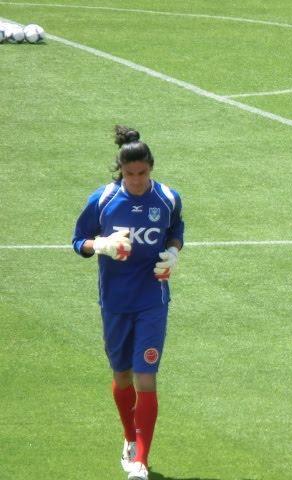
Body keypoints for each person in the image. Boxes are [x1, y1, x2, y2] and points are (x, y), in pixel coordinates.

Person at [72, 126, 184, 479]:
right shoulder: (104, 199)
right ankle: (129, 438)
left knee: (145, 377)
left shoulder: (167, 198)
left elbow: (175, 230)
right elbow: (78, 241)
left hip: (152, 300)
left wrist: (173, 253)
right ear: (121, 170)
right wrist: (101, 245)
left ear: (151, 168)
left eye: (142, 173)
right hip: (115, 301)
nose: (136, 180)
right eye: (130, 174)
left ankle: (140, 462)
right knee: (121, 376)